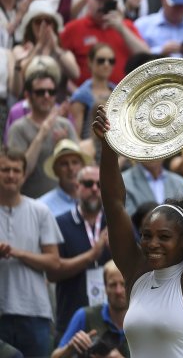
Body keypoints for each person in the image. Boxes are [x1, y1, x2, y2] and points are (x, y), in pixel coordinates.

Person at [92, 102, 183, 356]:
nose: (152, 243)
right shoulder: (136, 273)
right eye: (146, 235)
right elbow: (113, 204)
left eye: (164, 237)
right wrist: (108, 143)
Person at [0, 149, 62, 357]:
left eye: (16, 170)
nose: (11, 175)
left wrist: (17, 253)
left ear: (24, 175)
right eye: (5, 169)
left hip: (34, 311)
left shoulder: (40, 210)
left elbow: (54, 262)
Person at [48, 166, 112, 341]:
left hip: (112, 320)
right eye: (88, 184)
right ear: (77, 187)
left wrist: (116, 249)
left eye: (99, 185)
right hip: (71, 319)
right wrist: (91, 255)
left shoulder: (115, 221)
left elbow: (135, 264)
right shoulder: (60, 223)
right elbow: (52, 273)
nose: (94, 189)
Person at [59, 0, 149, 86]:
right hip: (87, 98)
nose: (103, 4)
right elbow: (60, 66)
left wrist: (122, 30)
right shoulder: (73, 28)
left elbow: (146, 57)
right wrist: (76, 94)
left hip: (122, 96)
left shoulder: (126, 26)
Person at [7, 71, 77, 198]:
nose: (46, 96)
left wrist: (63, 147)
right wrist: (42, 134)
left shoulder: (65, 125)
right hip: (31, 200)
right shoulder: (18, 128)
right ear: (28, 95)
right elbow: (21, 172)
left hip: (64, 202)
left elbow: (78, 169)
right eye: (40, 92)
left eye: (51, 92)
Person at [52, 260, 130, 358]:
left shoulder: (141, 322)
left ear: (131, 286)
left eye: (123, 284)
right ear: (105, 288)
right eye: (113, 285)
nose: (118, 291)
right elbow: (55, 356)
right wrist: (71, 347)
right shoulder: (85, 316)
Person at [12, 0, 79, 99]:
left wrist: (55, 48)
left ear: (54, 25)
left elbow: (75, 74)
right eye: (38, 21)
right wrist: (38, 47)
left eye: (47, 21)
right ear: (30, 26)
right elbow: (21, 77)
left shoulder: (63, 53)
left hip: (57, 107)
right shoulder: (20, 50)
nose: (43, 26)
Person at [70, 44, 117, 140]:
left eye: (111, 61)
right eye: (101, 61)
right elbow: (76, 135)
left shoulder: (118, 92)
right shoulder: (81, 95)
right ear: (90, 62)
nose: (106, 64)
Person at [39, 139, 93, 217]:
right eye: (64, 164)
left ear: (83, 166)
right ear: (55, 170)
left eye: (75, 162)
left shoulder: (96, 200)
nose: (71, 168)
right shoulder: (43, 206)